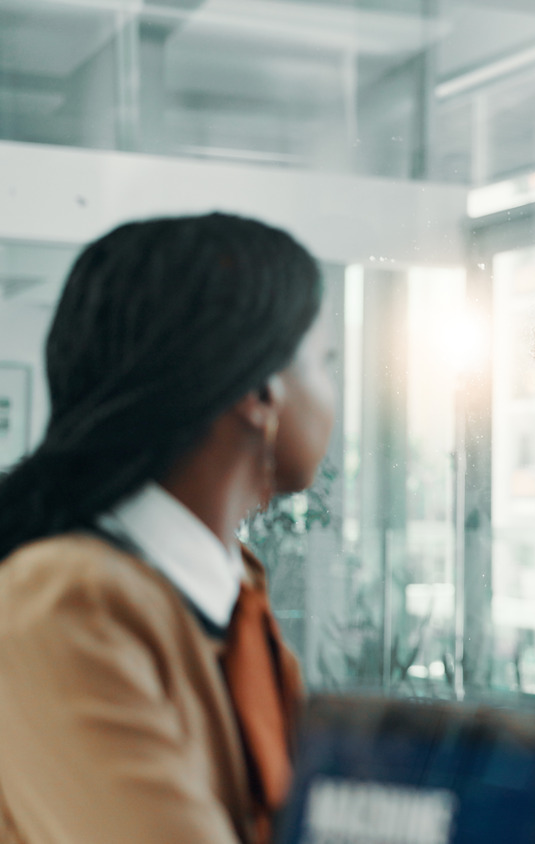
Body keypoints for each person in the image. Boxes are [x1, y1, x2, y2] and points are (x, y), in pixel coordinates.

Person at [0, 213, 335, 843]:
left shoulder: (232, 596)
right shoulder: (61, 602)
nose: (333, 395)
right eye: (323, 363)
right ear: (262, 393)